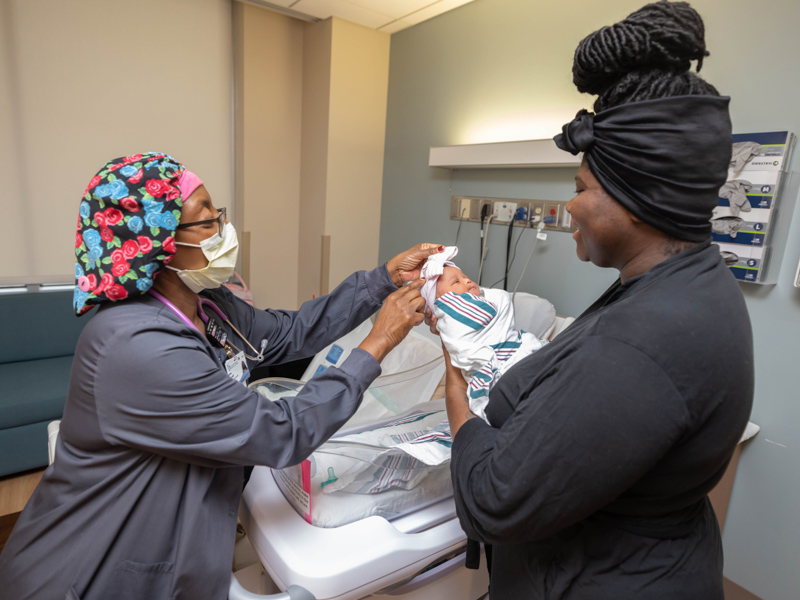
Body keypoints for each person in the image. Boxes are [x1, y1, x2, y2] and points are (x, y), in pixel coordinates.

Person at [0, 152, 442, 600]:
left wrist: (381, 280)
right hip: (84, 571)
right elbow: (279, 432)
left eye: (218, 216)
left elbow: (291, 332)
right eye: (207, 221)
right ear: (159, 241)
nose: (223, 231)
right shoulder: (135, 344)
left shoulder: (207, 304)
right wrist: (378, 342)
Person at [434, 2, 754, 598]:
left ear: (636, 199)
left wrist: (456, 389)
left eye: (581, 188)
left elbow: (491, 502)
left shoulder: (641, 345)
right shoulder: (694, 282)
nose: (571, 207)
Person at [420, 246, 544, 422]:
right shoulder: (448, 311)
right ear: (438, 303)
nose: (467, 281)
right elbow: (482, 314)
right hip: (491, 369)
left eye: (466, 277)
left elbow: (499, 301)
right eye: (456, 282)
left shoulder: (485, 302)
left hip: (514, 357)